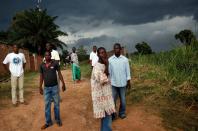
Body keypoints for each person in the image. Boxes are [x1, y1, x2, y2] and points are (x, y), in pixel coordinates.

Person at [39, 51, 66, 130]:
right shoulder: (42, 65)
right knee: (47, 105)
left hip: (55, 87)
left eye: (49, 55)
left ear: (51, 56)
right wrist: (40, 87)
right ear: (44, 57)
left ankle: (58, 120)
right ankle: (48, 122)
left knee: (56, 105)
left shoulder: (55, 64)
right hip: (46, 88)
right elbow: (41, 77)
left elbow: (60, 73)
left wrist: (63, 83)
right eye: (46, 55)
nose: (47, 56)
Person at [91, 47, 116, 131]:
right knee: (107, 117)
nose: (103, 54)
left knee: (105, 116)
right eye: (101, 53)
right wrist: (107, 64)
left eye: (104, 52)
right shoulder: (97, 66)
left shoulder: (104, 64)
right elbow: (103, 80)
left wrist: (106, 64)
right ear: (98, 55)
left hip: (106, 94)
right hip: (101, 96)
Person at [108, 43, 131, 120]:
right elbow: (109, 73)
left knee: (123, 100)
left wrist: (129, 81)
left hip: (123, 83)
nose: (116, 50)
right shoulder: (110, 60)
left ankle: (122, 113)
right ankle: (113, 114)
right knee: (113, 100)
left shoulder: (125, 60)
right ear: (113, 49)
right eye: (115, 48)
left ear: (120, 49)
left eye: (118, 48)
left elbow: (128, 71)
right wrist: (109, 82)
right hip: (114, 84)